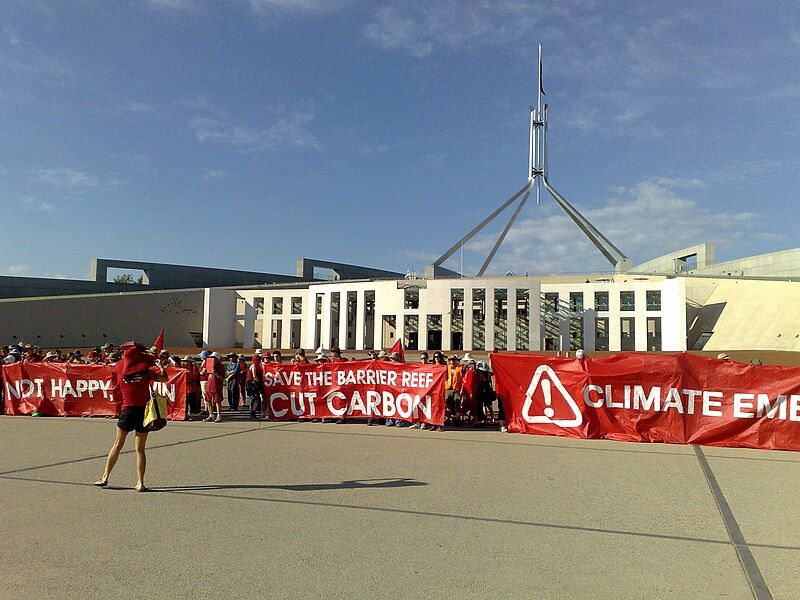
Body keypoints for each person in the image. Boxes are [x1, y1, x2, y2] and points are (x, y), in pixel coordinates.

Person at [94, 341, 166, 492]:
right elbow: (164, 378)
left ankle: (105, 476)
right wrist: (159, 365)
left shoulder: (120, 370)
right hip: (144, 411)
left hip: (127, 410)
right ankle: (140, 483)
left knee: (117, 444)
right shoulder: (146, 372)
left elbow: (118, 366)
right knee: (140, 450)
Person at [202, 352, 225, 422]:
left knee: (217, 401)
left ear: (217, 358)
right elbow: (208, 375)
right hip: (209, 384)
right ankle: (211, 415)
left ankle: (219, 415)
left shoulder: (221, 366)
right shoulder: (209, 365)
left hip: (217, 385)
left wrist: (215, 374)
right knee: (208, 400)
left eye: (213, 358)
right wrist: (205, 372)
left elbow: (222, 378)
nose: (212, 359)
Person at [247, 353, 264, 421]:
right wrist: (259, 381)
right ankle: (252, 413)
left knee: (254, 399)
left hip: (254, 384)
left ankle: (252, 412)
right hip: (252, 384)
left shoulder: (257, 366)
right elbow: (254, 376)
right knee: (256, 399)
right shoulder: (254, 366)